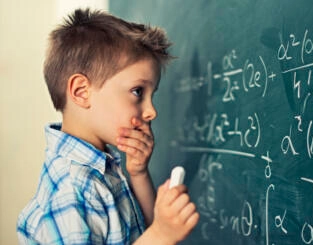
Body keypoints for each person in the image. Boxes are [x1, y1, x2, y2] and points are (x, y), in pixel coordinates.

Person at [16, 8, 199, 244]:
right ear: (82, 92)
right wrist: (160, 235)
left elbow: (143, 231)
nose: (152, 111)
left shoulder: (101, 168)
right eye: (137, 91)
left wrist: (138, 173)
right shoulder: (72, 193)